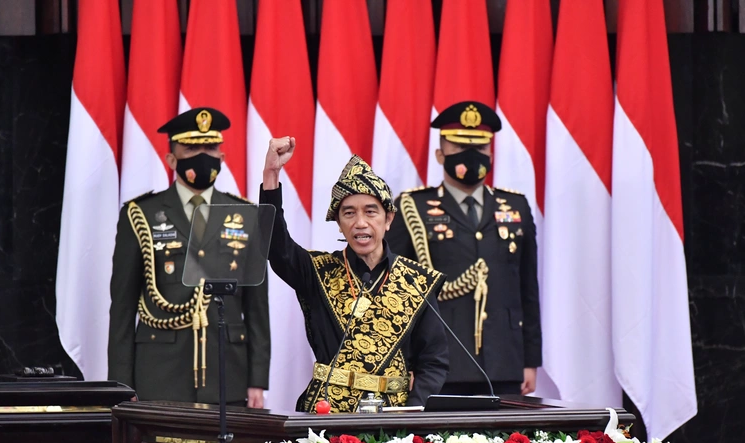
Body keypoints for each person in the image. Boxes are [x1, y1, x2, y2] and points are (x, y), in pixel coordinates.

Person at [260, 137, 449, 413]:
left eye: (371, 212)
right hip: (327, 418)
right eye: (349, 213)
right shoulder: (317, 271)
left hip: (393, 424)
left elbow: (433, 360)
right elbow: (276, 246)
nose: (360, 223)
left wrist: (412, 415)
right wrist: (271, 176)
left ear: (389, 219)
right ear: (339, 224)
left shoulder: (416, 281)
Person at [108, 107, 271, 407]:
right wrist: (121, 384)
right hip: (159, 373)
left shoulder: (246, 215)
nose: (203, 155)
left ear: (222, 157)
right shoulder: (140, 215)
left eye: (210, 147)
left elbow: (257, 307)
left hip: (228, 372)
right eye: (191, 148)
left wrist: (257, 380)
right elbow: (122, 308)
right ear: (172, 159)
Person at [386, 100, 541, 396]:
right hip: (437, 362)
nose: (472, 157)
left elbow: (527, 289)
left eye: (480, 149)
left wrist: (530, 359)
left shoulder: (516, 206)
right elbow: (397, 292)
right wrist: (402, 362)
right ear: (440, 154)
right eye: (459, 149)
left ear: (491, 154)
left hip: (504, 360)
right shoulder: (412, 207)